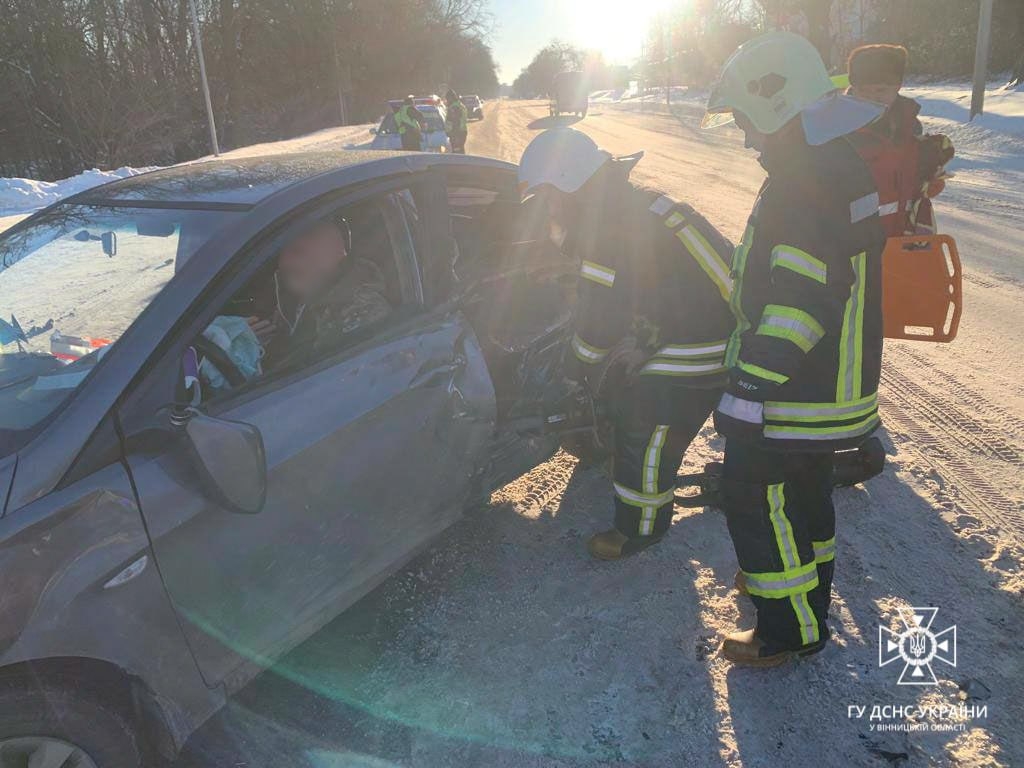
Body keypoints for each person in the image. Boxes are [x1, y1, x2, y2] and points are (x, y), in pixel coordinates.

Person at [701, 31, 887, 666]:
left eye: (747, 122)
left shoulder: (804, 182)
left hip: (796, 389)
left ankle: (788, 628)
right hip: (829, 385)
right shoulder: (833, 161)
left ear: (776, 108)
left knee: (755, 495)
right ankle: (804, 596)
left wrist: (749, 385)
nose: (747, 138)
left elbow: (798, 303)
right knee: (805, 497)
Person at [518, 128, 735, 560]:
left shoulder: (604, 228)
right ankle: (623, 468)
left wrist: (574, 368)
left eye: (548, 197)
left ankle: (639, 529)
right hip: (713, 320)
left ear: (566, 187)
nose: (548, 209)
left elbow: (602, 318)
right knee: (624, 383)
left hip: (705, 340)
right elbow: (636, 280)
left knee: (646, 423)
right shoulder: (629, 205)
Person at [248, 217, 392, 368]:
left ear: (340, 254)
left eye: (300, 252)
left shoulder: (362, 311)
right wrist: (253, 346)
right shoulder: (288, 302)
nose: (289, 260)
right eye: (284, 248)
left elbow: (322, 379)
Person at [845, 44, 954, 236]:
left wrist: (930, 179)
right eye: (864, 91)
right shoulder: (835, 128)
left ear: (897, 87)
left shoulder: (909, 128)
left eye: (881, 91)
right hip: (849, 240)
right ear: (852, 87)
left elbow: (914, 186)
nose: (872, 98)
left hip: (901, 237)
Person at [445, 90, 469, 154]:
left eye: (447, 99)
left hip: (456, 133)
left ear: (451, 98)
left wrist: (454, 135)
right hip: (461, 132)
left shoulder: (454, 107)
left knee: (457, 154)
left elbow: (456, 122)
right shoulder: (460, 105)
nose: (447, 101)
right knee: (460, 152)